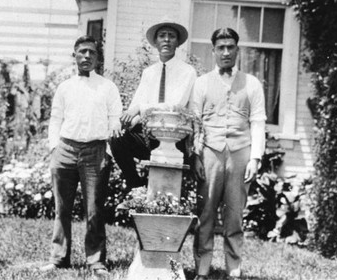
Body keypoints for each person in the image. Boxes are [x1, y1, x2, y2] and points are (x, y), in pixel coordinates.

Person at [41, 35, 123, 277]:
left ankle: (96, 261)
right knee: (62, 208)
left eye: (91, 53)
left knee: (94, 209)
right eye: (82, 52)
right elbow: (55, 119)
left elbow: (115, 119)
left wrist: (107, 151)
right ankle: (58, 258)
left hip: (95, 151)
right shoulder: (65, 87)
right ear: (74, 55)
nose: (86, 56)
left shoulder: (108, 87)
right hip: (65, 149)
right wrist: (55, 148)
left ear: (98, 58)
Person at [191, 28, 266, 280]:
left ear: (237, 50)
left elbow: (258, 122)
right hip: (210, 154)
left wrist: (255, 158)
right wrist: (195, 156)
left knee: (234, 216)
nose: (225, 52)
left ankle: (233, 270)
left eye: (230, 47)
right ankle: (202, 268)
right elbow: (195, 123)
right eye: (220, 47)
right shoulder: (201, 83)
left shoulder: (252, 83)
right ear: (213, 50)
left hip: (240, 155)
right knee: (206, 214)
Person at [109, 17, 197, 189]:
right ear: (155, 42)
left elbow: (175, 105)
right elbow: (136, 106)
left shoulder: (187, 72)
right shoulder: (149, 73)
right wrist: (123, 124)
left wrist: (139, 109)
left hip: (175, 137)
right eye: (162, 36)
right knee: (117, 139)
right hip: (149, 136)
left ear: (177, 42)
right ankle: (135, 184)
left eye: (171, 36)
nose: (166, 39)